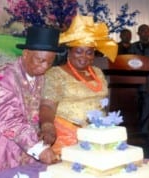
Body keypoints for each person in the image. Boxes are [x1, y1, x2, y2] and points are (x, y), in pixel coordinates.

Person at [0, 26, 63, 178]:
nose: (44, 67)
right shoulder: (2, 76)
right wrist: (39, 149)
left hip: (27, 148)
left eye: (49, 63)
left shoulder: (40, 77)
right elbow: (9, 119)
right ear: (25, 54)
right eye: (40, 60)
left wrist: (45, 129)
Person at [38, 15, 118, 155]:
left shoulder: (98, 72)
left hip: (97, 135)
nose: (84, 57)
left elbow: (101, 102)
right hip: (66, 136)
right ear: (69, 52)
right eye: (79, 51)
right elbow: (47, 105)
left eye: (89, 52)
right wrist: (47, 126)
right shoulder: (56, 74)